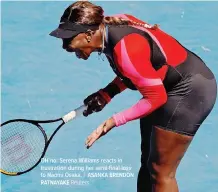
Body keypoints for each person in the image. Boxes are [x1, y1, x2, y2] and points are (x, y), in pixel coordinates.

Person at [49, 1, 217, 191]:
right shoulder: (114, 26)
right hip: (167, 85)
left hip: (190, 91)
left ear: (88, 35)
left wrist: (112, 121)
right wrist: (107, 94)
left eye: (68, 39)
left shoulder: (125, 48)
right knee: (147, 161)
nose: (65, 46)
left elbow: (155, 97)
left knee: (161, 171)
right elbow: (140, 69)